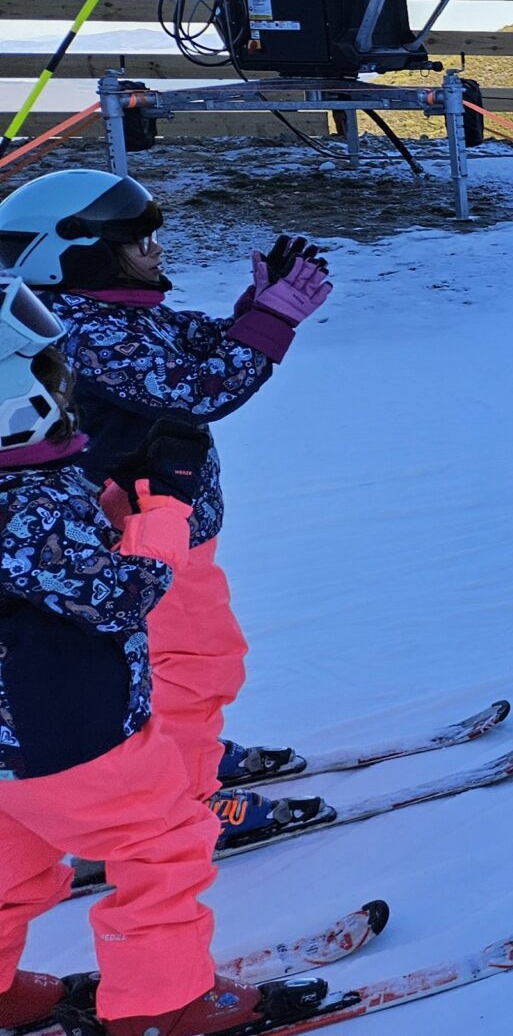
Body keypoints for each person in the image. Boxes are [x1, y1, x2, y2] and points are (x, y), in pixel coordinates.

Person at [0, 172, 333, 846]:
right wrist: (272, 320)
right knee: (198, 661)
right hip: (144, 532)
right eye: (140, 239)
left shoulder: (113, 310)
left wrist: (255, 305)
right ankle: (186, 798)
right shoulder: (82, 331)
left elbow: (194, 344)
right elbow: (195, 387)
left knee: (177, 663)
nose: (157, 249)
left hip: (167, 527)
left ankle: (188, 753)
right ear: (79, 252)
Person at [0, 276, 291, 1036]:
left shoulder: (29, 490)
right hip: (69, 730)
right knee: (159, 847)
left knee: (8, 863)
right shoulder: (24, 500)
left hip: (9, 750)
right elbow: (119, 595)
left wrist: (113, 509)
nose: (70, 394)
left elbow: (45, 569)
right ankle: (160, 1005)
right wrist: (163, 509)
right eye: (53, 377)